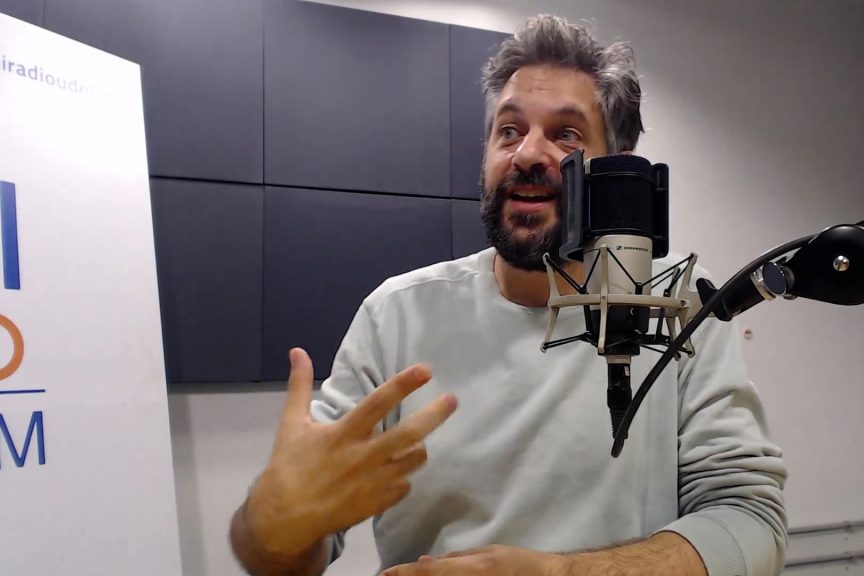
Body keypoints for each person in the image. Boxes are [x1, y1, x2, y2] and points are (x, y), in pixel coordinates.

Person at [230, 14, 787, 576]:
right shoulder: (395, 315)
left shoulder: (679, 305)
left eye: (566, 134)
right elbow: (279, 551)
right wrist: (273, 526)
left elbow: (749, 523)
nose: (526, 154)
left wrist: (562, 574)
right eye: (509, 130)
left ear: (615, 170)